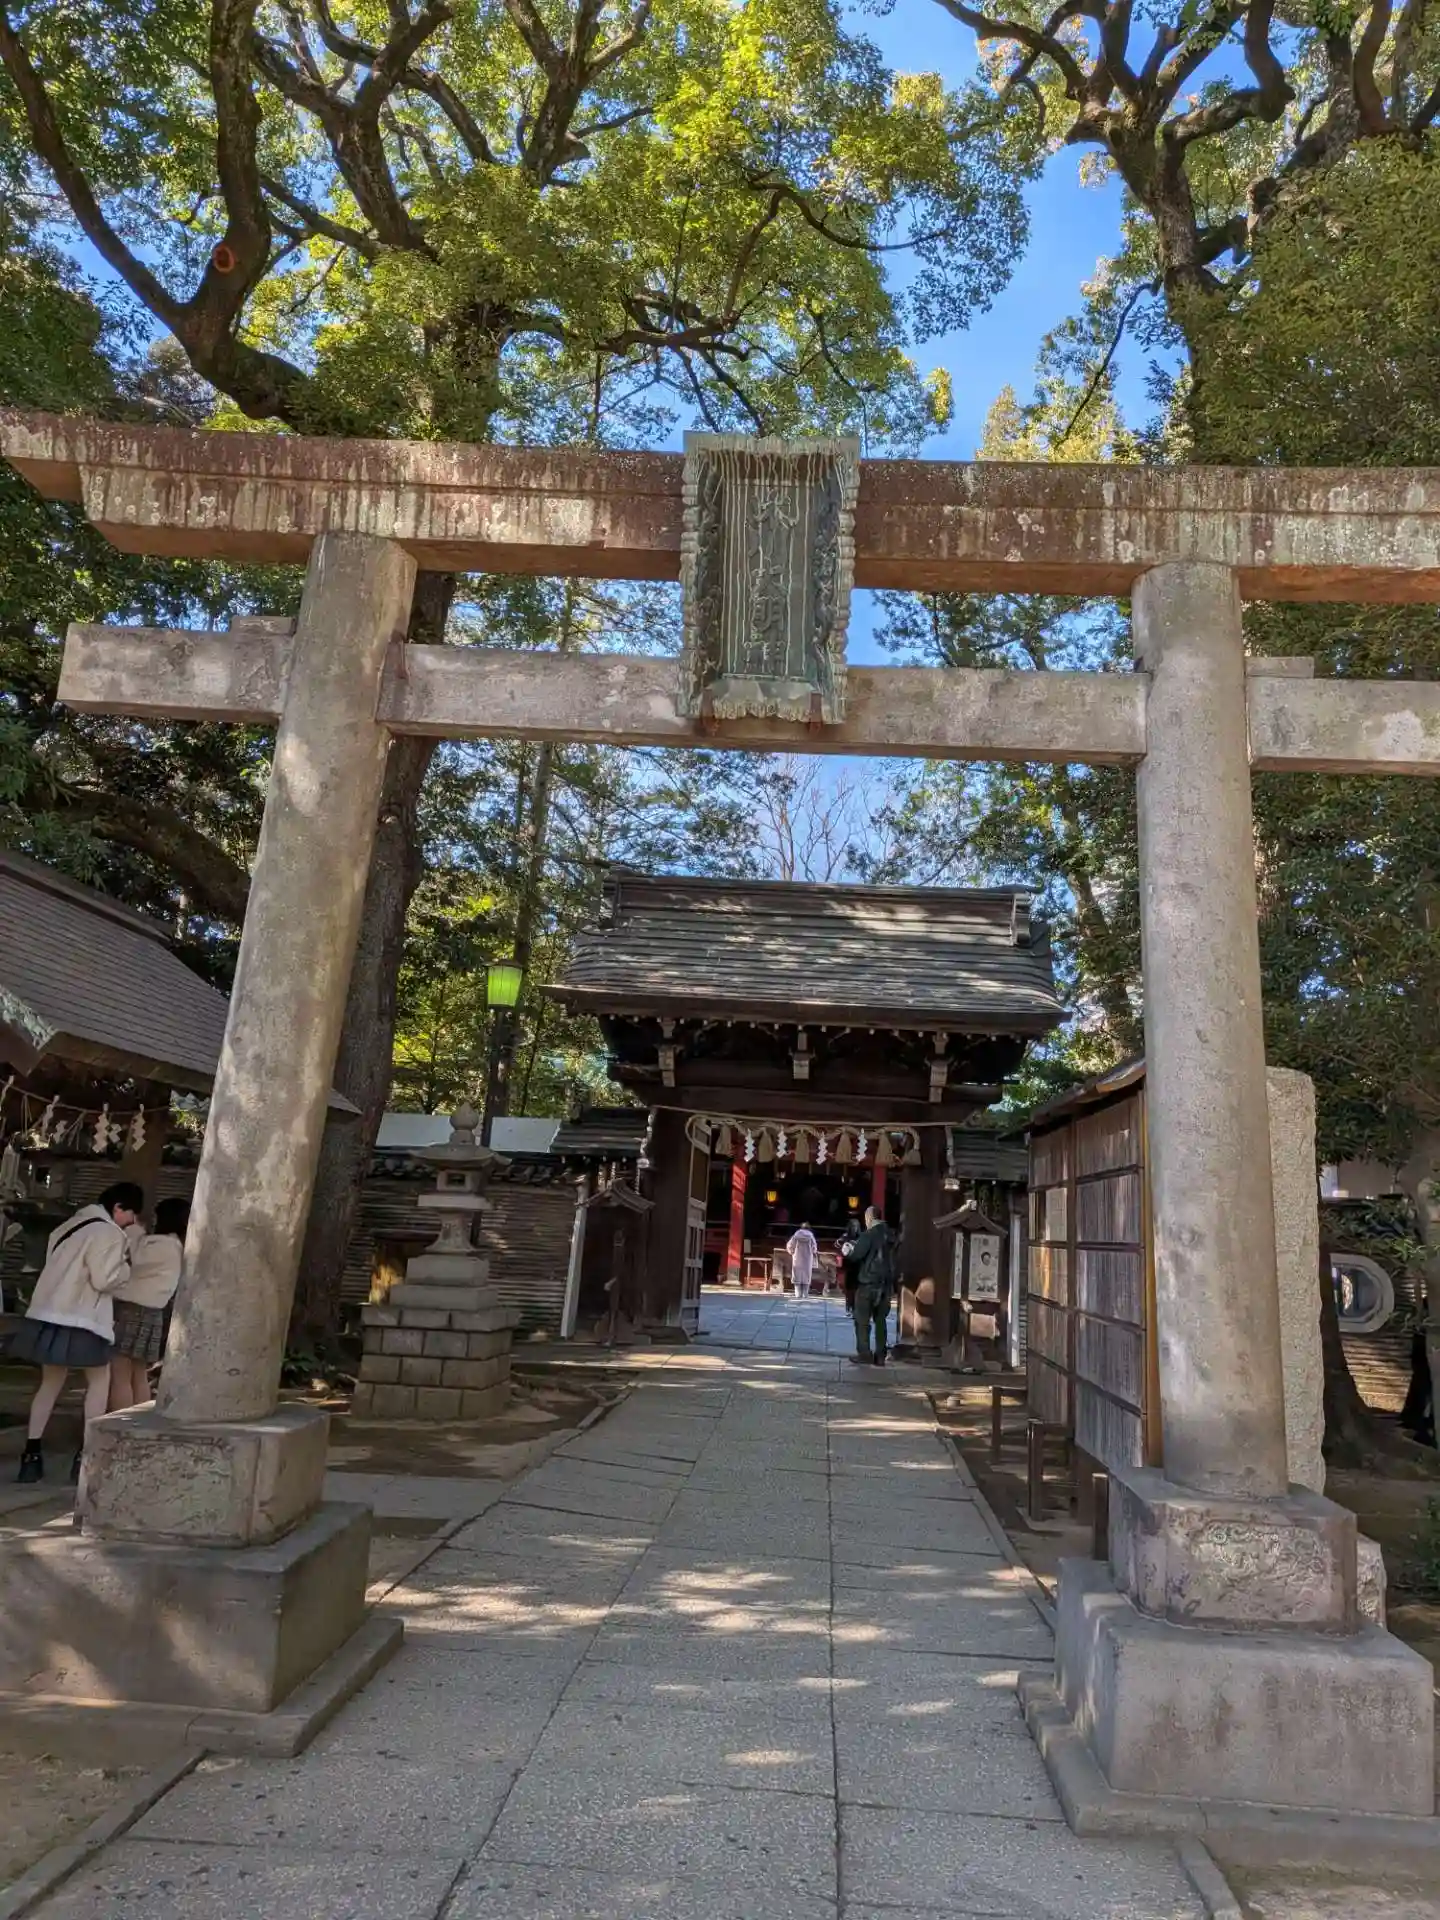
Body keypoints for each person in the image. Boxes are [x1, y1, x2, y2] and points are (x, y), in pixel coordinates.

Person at [12, 1182, 142, 1484]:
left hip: (50, 1314)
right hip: (85, 1319)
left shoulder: (68, 1227)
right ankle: (85, 1456)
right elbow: (104, 1279)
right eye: (131, 1213)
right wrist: (126, 1268)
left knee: (49, 1384)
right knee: (98, 1382)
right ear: (118, 1208)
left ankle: (31, 1456)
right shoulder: (109, 1233)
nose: (132, 1221)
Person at [110, 1196, 189, 1412]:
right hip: (152, 1314)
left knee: (120, 1374)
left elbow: (137, 1257)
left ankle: (119, 1422)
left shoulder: (163, 1244)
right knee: (138, 1375)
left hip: (132, 1311)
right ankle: (137, 1421)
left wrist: (133, 1229)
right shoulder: (178, 1246)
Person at [848, 1204, 898, 1366]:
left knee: (862, 1320)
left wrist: (849, 1250)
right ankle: (880, 1355)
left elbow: (856, 1256)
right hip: (886, 1284)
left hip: (868, 1282)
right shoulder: (891, 1235)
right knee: (881, 1320)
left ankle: (864, 1353)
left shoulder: (868, 1235)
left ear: (869, 1217)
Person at [786, 1222, 819, 1298]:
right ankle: (805, 1294)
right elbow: (814, 1248)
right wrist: (812, 1252)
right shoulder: (811, 1236)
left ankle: (797, 1294)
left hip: (797, 1258)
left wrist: (792, 1252)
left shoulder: (796, 1235)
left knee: (797, 1275)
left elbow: (790, 1245)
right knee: (806, 1275)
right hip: (807, 1259)